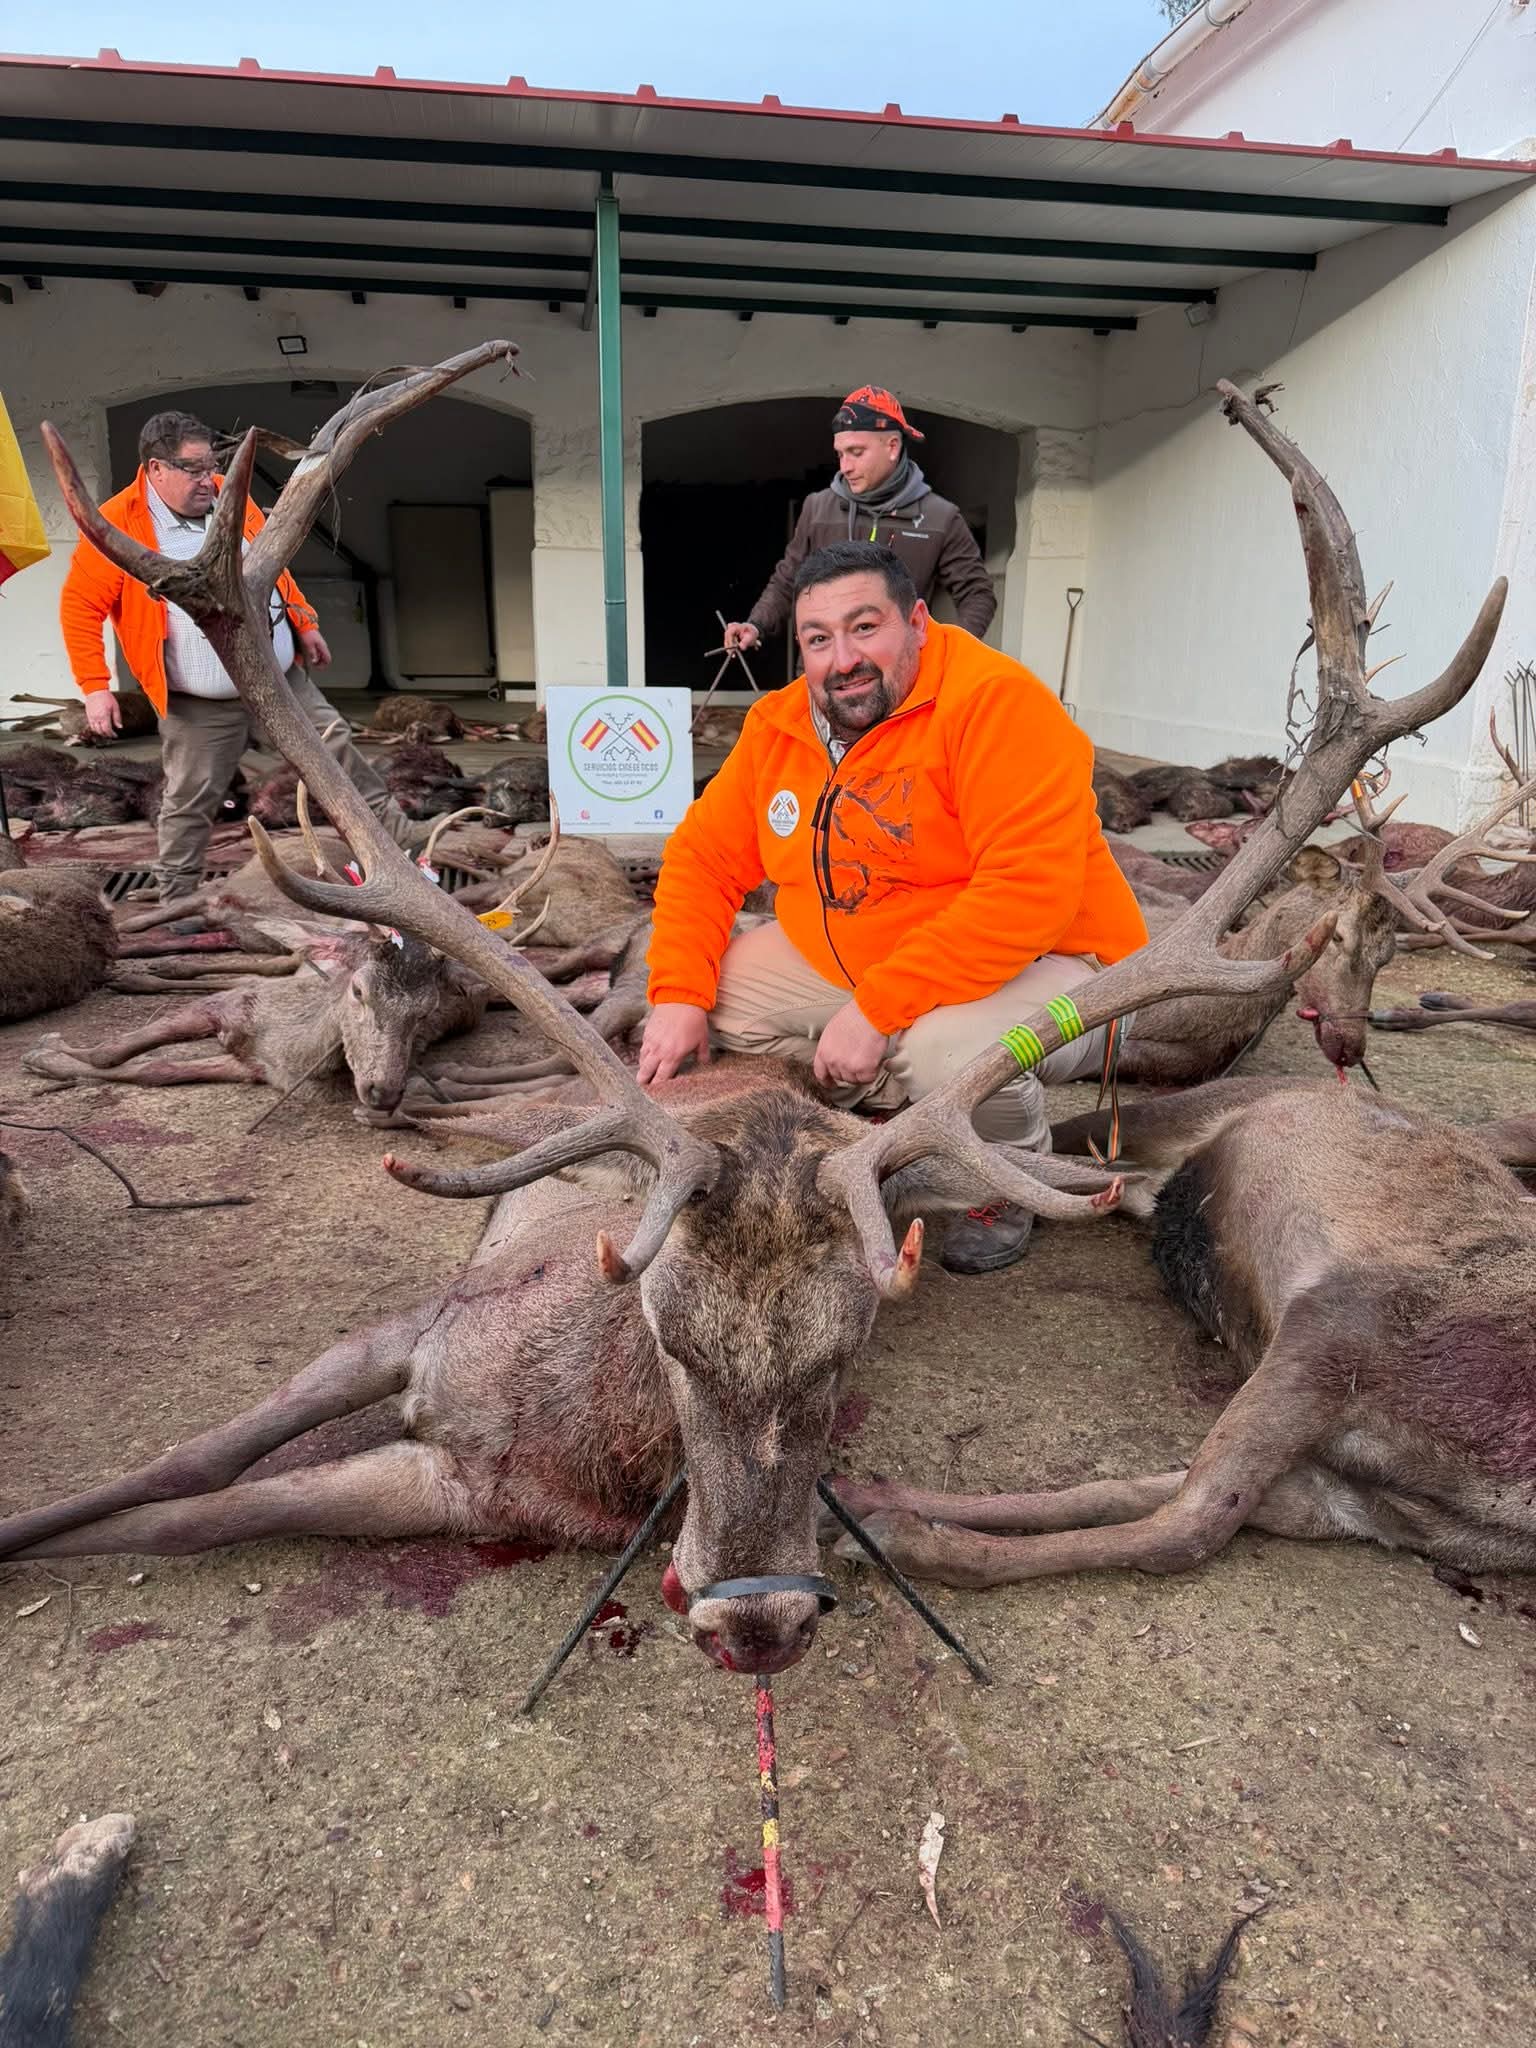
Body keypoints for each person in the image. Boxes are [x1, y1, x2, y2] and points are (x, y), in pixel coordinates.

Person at [642, 540, 1148, 1275]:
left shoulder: (997, 705)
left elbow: (1027, 893)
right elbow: (703, 859)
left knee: (950, 1053)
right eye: (819, 639)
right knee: (717, 999)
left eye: (864, 627)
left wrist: (875, 1012)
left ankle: (1009, 1175)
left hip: (1064, 965)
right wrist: (677, 994)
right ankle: (907, 1096)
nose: (843, 659)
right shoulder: (779, 726)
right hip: (891, 963)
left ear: (915, 622)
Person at [60, 409, 420, 904]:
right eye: (192, 468)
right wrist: (95, 687)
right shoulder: (118, 522)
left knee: (339, 755)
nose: (206, 478)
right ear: (155, 468)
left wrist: (303, 622)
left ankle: (410, 852)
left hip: (278, 680)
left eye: (211, 465)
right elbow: (80, 606)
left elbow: (272, 561)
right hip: (200, 703)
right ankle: (176, 898)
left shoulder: (228, 494)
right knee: (190, 797)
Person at [723, 386, 996, 657]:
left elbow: (977, 593)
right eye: (840, 454)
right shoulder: (817, 509)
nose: (845, 467)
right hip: (826, 671)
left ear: (892, 447)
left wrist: (950, 654)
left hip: (901, 674)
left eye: (856, 452)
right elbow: (787, 581)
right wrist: (755, 624)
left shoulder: (941, 517)